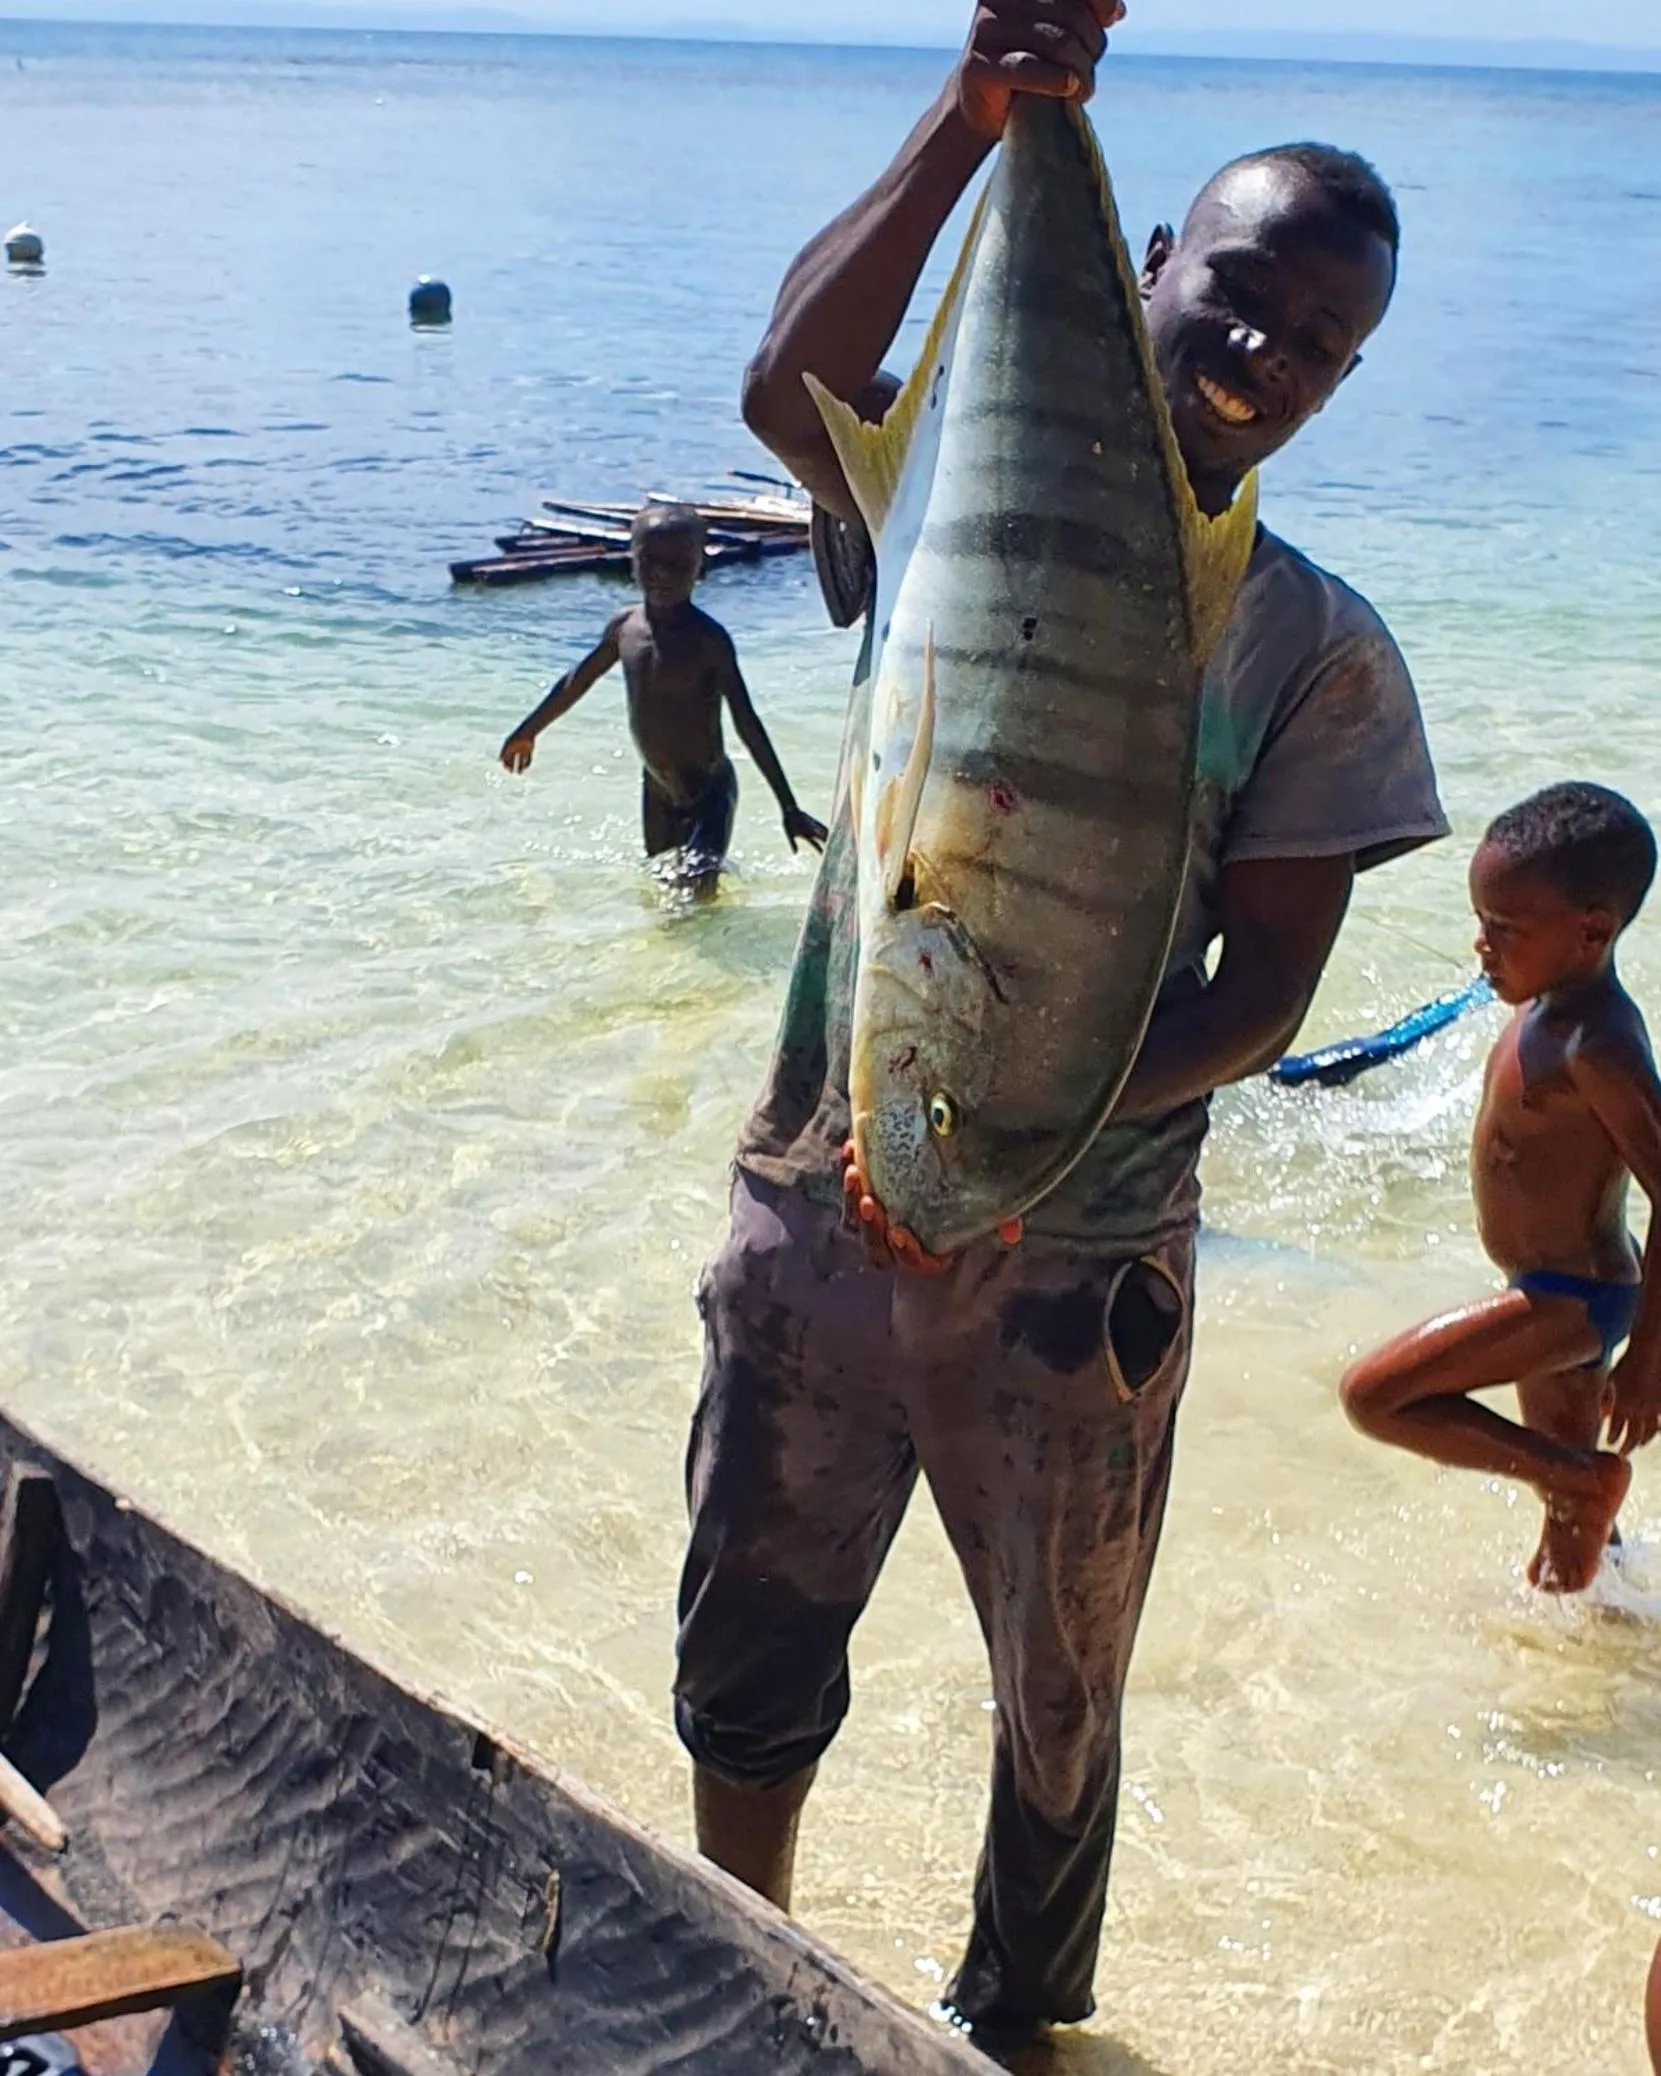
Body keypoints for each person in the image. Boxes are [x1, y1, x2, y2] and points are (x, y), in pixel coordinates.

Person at [674, 0, 1449, 2047]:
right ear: (1148, 274)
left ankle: (1015, 2029)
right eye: (1241, 297)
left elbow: (1262, 995)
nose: (1263, 357)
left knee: (1057, 1698)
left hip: (1076, 1265)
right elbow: (792, 385)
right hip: (817, 1204)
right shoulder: (942, 497)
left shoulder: (1320, 653)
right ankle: (744, 1979)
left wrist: (1010, 1137)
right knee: (750, 1642)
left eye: (1316, 345)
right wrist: (976, 109)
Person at [1342, 784, 1660, 1594]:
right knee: (1573, 1548)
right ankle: (1606, 1656)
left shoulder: (1598, 1044)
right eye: (1481, 920)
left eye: (1504, 930)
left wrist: (1652, 1357)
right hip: (1544, 1288)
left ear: (1589, 930)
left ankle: (1578, 1480)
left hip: (1572, 1300)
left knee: (1375, 1397)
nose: (1481, 945)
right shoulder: (1546, 1005)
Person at [498, 504, 827, 891]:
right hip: (656, 790)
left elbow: (746, 721)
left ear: (700, 566)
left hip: (709, 794)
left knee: (694, 900)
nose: (662, 574)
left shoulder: (709, 641)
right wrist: (529, 730)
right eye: (650, 561)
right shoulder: (625, 628)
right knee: (661, 892)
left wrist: (788, 806)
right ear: (632, 561)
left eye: (677, 563)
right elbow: (577, 681)